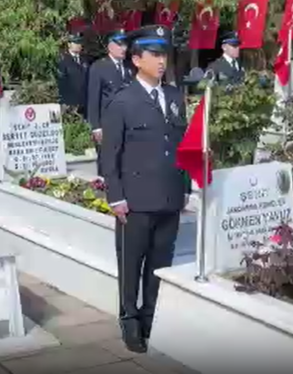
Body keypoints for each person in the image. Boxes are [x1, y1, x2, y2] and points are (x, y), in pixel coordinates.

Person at [100, 25, 191, 353]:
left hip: (169, 195)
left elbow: (182, 145)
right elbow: (110, 155)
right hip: (135, 200)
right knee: (131, 264)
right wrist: (116, 197)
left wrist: (185, 187)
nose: (161, 61)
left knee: (159, 263)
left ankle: (151, 317)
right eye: (154, 55)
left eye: (164, 54)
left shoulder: (174, 96)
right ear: (137, 60)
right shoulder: (122, 101)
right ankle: (130, 320)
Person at [86, 29, 133, 175]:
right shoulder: (99, 67)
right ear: (110, 47)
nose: (123, 48)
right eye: (119, 45)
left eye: (125, 44)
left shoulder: (129, 67)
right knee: (107, 163)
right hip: (107, 123)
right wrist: (96, 126)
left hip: (127, 123)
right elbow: (93, 98)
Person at [57, 32, 90, 118]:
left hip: (84, 103)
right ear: (69, 44)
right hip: (70, 104)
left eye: (80, 42)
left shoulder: (85, 60)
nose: (78, 45)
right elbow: (61, 83)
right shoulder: (63, 60)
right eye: (75, 42)